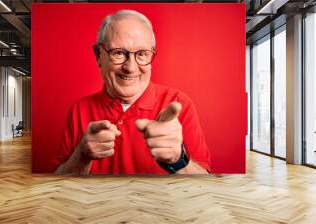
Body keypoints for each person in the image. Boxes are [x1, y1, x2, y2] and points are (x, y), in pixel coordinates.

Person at [54, 9, 211, 174]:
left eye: (142, 54)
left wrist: (178, 159)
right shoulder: (79, 110)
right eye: (119, 53)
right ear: (98, 55)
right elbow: (58, 180)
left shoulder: (180, 103)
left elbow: (205, 181)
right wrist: (82, 154)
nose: (130, 67)